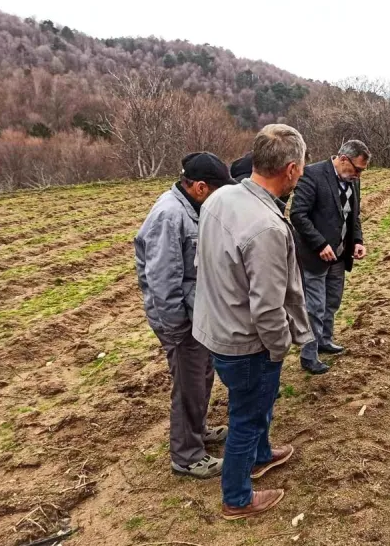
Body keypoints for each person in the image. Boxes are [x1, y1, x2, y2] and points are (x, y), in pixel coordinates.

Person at [193, 124, 314, 519]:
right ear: (292, 169)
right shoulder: (266, 227)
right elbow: (267, 308)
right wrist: (279, 348)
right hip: (247, 344)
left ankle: (262, 456)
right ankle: (237, 498)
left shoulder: (222, 197)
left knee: (256, 407)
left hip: (217, 327)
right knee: (245, 417)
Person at [134, 152, 237, 479]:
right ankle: (187, 456)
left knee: (203, 374)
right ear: (201, 188)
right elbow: (163, 280)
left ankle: (198, 431)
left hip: (196, 316)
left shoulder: (189, 208)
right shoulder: (169, 215)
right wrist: (177, 329)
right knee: (189, 384)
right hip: (180, 322)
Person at [290, 140, 370, 374]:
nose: (358, 175)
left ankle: (325, 340)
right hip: (314, 256)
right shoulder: (313, 175)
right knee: (314, 306)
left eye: (361, 171)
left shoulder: (353, 181)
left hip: (340, 254)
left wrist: (357, 241)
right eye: (357, 169)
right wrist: (320, 243)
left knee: (331, 302)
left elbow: (353, 216)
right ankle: (309, 355)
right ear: (343, 159)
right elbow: (298, 214)